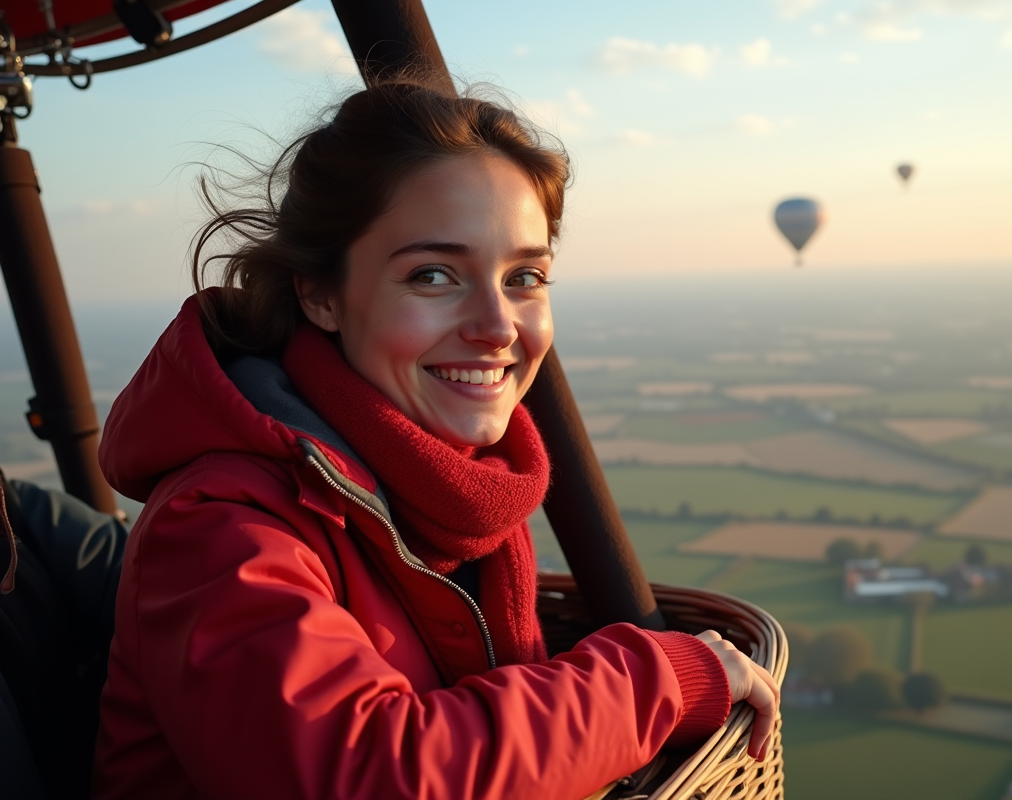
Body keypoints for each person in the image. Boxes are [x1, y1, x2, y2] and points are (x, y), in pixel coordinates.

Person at [92, 80, 779, 800]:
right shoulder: (220, 526)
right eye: (433, 275)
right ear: (320, 294)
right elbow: (367, 776)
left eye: (525, 277)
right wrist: (657, 681)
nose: (497, 325)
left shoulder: (454, 494)